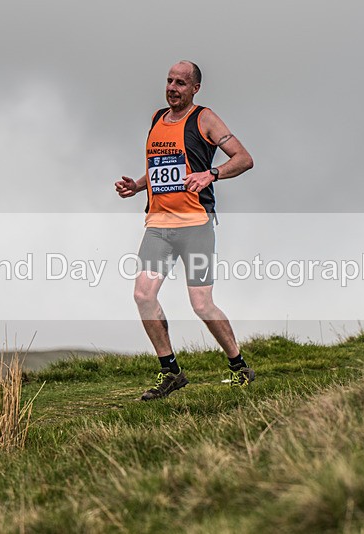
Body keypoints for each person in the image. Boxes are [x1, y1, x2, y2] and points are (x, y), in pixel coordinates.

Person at [115, 60, 255, 401]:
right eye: (169, 81)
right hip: (159, 226)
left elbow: (244, 158)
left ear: (195, 88)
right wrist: (138, 185)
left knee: (202, 304)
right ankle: (171, 372)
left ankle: (239, 366)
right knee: (143, 296)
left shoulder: (204, 118)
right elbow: (164, 167)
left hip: (195, 225)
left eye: (181, 82)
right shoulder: (156, 119)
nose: (172, 88)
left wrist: (212, 174)